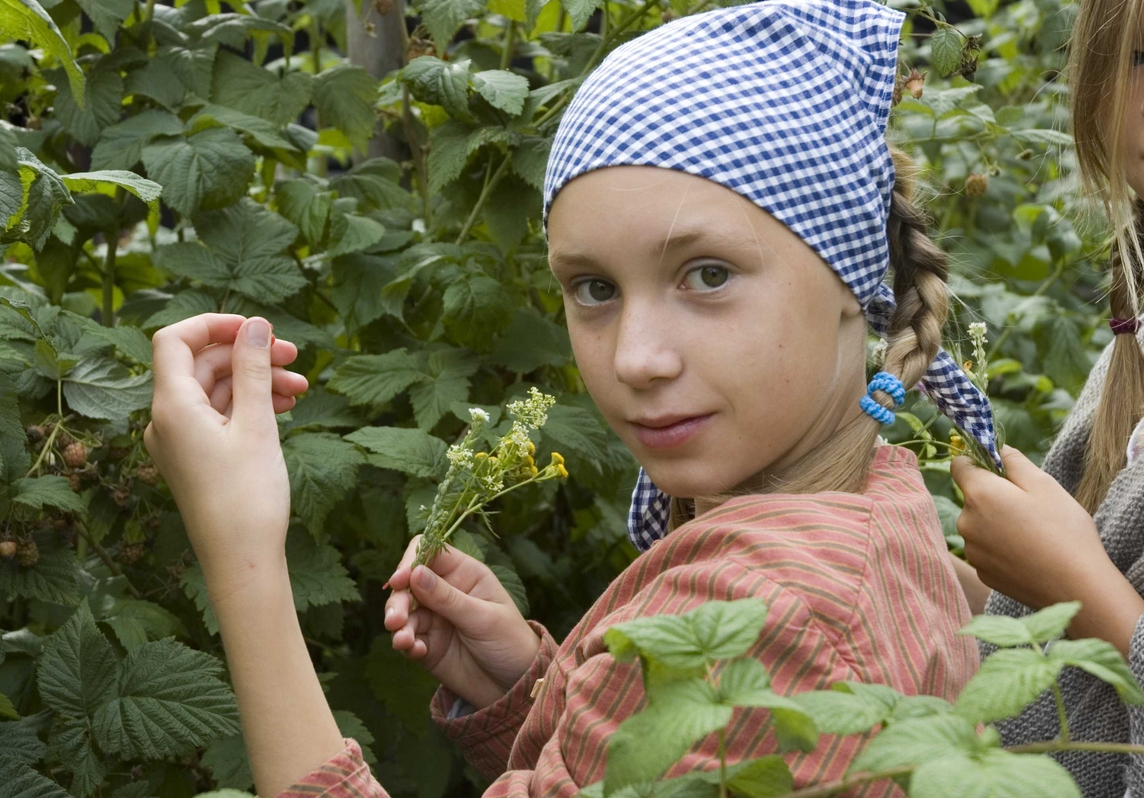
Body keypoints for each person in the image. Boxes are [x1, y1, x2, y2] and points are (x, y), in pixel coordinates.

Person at [143, 1, 997, 795]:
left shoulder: (764, 618)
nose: (636, 358)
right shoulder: (878, 502)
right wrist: (538, 691)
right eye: (593, 288)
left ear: (852, 278)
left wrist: (242, 556)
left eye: (707, 275)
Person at [949, 1, 1144, 795]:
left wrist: (1078, 587)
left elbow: (1095, 600)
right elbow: (1051, 665)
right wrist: (912, 567)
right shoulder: (1123, 365)